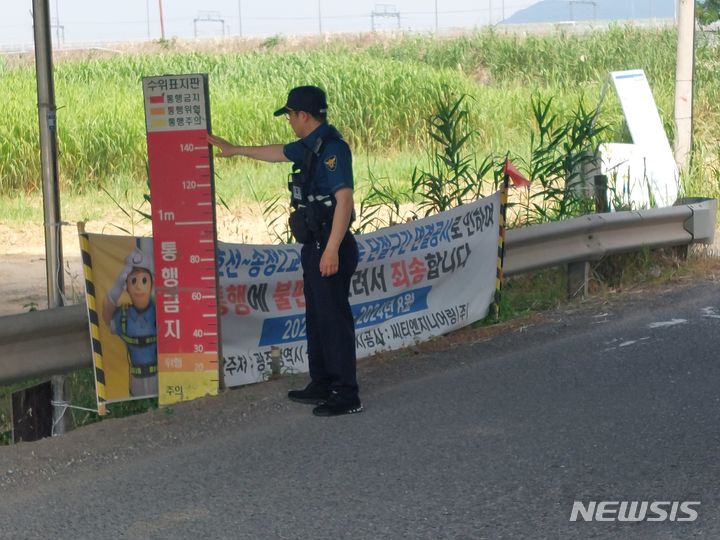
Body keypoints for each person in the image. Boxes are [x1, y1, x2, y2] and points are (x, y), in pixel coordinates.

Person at [208, 85, 362, 417]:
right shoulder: (311, 145)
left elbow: (344, 199)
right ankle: (322, 382)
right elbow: (278, 152)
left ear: (303, 116)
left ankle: (346, 393)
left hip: (330, 246)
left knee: (333, 321)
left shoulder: (333, 149)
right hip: (316, 245)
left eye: (290, 115)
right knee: (318, 319)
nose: (289, 121)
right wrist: (236, 150)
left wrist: (332, 249)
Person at [102, 247, 158, 398]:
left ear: (151, 283)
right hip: (136, 381)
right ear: (127, 286)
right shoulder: (124, 315)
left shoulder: (159, 311)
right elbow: (106, 316)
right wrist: (118, 284)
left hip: (160, 378)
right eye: (133, 281)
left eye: (144, 280)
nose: (139, 286)